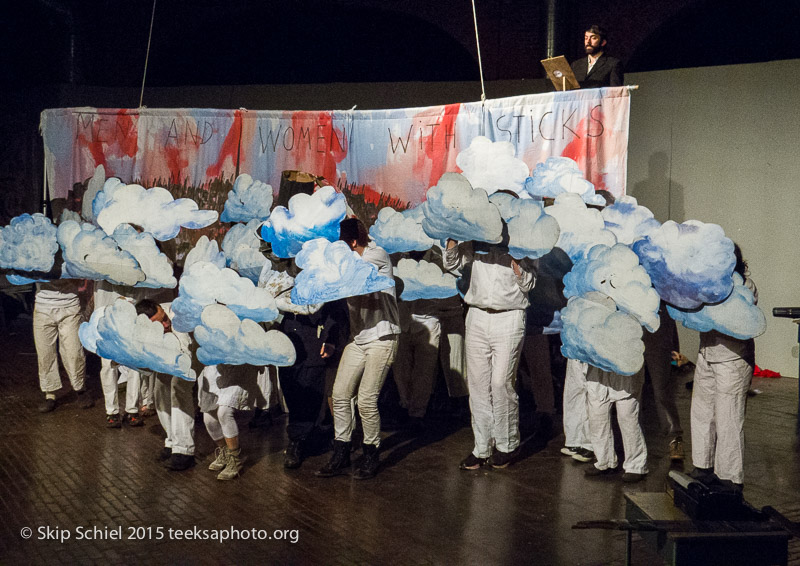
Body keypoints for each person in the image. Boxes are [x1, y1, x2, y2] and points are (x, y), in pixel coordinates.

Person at [317, 218, 400, 480]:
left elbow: (351, 273)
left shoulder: (376, 255)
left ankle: (371, 452)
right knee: (340, 394)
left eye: (342, 245)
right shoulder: (347, 257)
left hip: (383, 337)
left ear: (353, 242)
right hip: (359, 338)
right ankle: (342, 451)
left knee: (365, 399)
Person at [443, 238, 536, 470]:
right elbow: (452, 265)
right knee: (477, 384)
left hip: (510, 315)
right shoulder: (475, 241)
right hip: (477, 314)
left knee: (501, 382)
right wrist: (453, 240)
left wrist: (517, 264)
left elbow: (529, 284)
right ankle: (482, 447)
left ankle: (507, 445)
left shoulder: (525, 242)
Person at [690, 244, 756, 492]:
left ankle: (730, 478)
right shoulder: (708, 285)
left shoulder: (744, 287)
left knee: (728, 417)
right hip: (707, 353)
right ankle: (703, 466)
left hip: (732, 359)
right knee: (702, 411)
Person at [135, 298, 198, 472]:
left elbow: (185, 357)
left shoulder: (177, 318)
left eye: (164, 318)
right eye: (159, 323)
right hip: (167, 355)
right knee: (160, 389)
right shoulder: (141, 327)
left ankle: (184, 450)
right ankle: (172, 441)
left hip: (192, 354)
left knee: (178, 389)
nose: (165, 324)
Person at [33, 279, 92, 413]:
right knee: (45, 353)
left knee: (74, 352)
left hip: (69, 305)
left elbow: (81, 279)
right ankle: (50, 394)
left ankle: (80, 389)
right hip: (43, 307)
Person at [199, 364, 260, 480]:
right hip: (214, 369)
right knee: (209, 419)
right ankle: (225, 451)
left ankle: (235, 458)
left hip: (239, 369)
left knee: (224, 412)